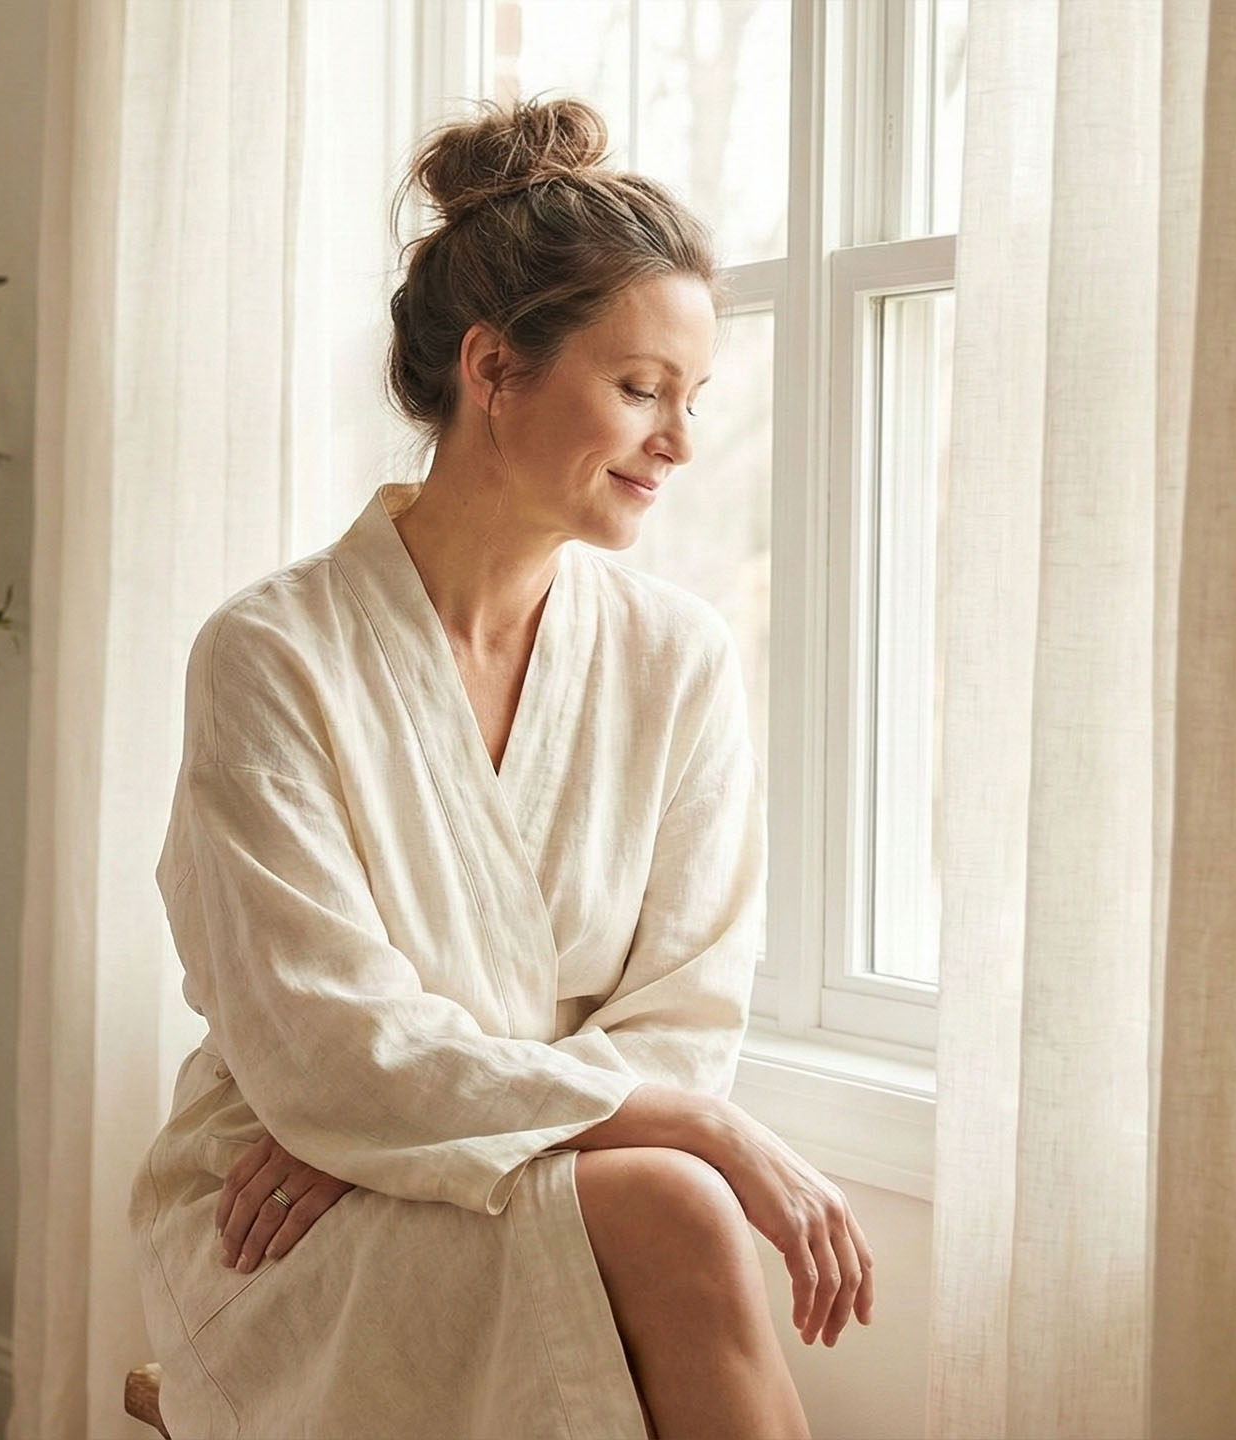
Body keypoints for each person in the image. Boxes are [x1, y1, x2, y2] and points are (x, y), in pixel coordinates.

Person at [128, 96, 873, 1440]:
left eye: (693, 398)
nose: (681, 444)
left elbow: (687, 1012)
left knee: (665, 1200)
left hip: (384, 1160)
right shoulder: (273, 654)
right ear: (494, 370)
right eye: (641, 389)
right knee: (679, 1192)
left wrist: (427, 1125)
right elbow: (328, 1042)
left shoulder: (677, 658)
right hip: (284, 1208)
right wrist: (381, 1116)